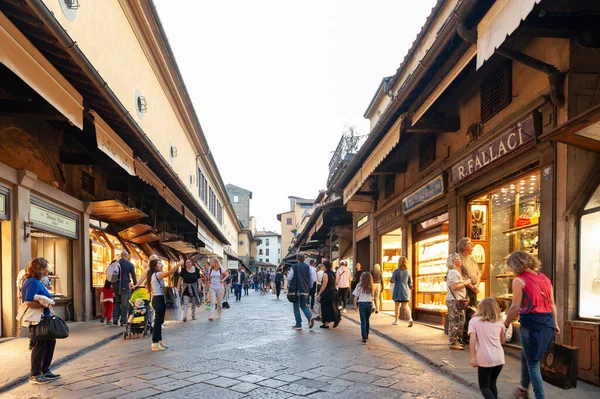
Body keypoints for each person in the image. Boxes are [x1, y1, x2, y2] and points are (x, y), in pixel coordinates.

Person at [504, 251, 558, 399]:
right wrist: (556, 323)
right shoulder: (545, 278)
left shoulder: (519, 281)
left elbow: (515, 306)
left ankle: (540, 396)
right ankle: (522, 388)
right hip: (548, 323)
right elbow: (552, 303)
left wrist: (506, 324)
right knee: (525, 355)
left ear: (515, 265)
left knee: (533, 364)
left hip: (531, 323)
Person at [18, 258, 60, 384]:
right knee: (39, 346)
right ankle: (35, 375)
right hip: (37, 320)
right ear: (41, 269)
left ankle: (45, 370)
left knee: (50, 343)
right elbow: (28, 302)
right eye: (47, 267)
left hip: (44, 318)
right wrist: (46, 305)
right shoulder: (32, 282)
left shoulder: (37, 281)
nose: (49, 269)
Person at [468, 298, 506, 399]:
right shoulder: (500, 322)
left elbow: (473, 340)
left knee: (484, 387)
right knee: (492, 383)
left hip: (484, 357)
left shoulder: (474, 321)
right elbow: (502, 341)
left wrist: (472, 357)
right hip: (499, 357)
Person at [146, 257, 183, 351]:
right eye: (159, 263)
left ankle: (159, 340)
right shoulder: (157, 274)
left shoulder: (155, 275)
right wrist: (179, 264)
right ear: (154, 266)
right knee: (158, 321)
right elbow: (170, 272)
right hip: (158, 299)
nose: (161, 264)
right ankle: (154, 342)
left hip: (159, 298)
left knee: (160, 320)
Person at [458, 237, 481, 344]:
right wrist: (471, 286)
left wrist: (477, 285)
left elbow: (478, 272)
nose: (471, 244)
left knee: (473, 311)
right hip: (465, 289)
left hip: (474, 288)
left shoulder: (472, 258)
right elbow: (460, 275)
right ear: (463, 246)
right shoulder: (459, 258)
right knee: (465, 312)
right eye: (469, 243)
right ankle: (464, 335)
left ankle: (471, 333)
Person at [446, 253, 472, 350]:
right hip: (454, 300)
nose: (460, 260)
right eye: (458, 259)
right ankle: (453, 342)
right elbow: (454, 287)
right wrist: (466, 283)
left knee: (460, 320)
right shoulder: (453, 272)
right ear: (453, 262)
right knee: (455, 321)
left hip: (457, 300)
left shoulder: (455, 272)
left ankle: (456, 340)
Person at [288, 253, 314, 330]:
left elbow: (289, 277)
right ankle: (310, 317)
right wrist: (310, 286)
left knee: (296, 306)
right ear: (304, 259)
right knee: (303, 305)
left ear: (297, 259)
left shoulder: (294, 267)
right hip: (305, 289)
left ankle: (298, 324)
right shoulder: (308, 267)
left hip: (296, 290)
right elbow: (312, 278)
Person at [114, 251, 137, 326]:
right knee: (125, 304)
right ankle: (123, 320)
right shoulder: (130, 264)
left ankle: (115, 318)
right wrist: (135, 286)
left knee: (117, 301)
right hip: (125, 285)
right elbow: (133, 276)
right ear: (127, 256)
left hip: (116, 285)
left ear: (120, 256)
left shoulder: (115, 263)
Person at [315, 261, 340, 329]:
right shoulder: (332, 273)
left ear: (325, 266)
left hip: (327, 293)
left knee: (326, 307)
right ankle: (333, 320)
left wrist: (319, 293)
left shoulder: (325, 274)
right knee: (333, 306)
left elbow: (324, 284)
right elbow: (336, 281)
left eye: (323, 265)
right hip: (333, 291)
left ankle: (327, 322)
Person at [389, 258, 413, 326]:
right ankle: (410, 319)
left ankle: (396, 320)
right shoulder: (408, 272)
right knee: (406, 305)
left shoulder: (396, 271)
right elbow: (410, 283)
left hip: (397, 289)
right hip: (405, 289)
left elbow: (392, 280)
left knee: (397, 306)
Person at [353, 272, 374, 343]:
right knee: (367, 319)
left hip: (361, 304)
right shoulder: (371, 286)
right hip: (369, 304)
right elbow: (372, 296)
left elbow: (355, 297)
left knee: (363, 321)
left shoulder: (359, 285)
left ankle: (364, 337)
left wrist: (355, 306)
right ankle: (367, 334)